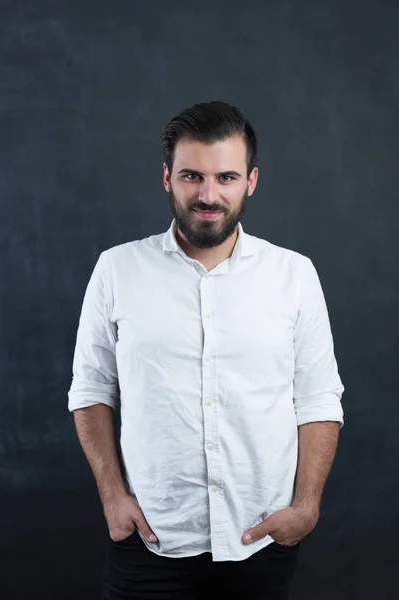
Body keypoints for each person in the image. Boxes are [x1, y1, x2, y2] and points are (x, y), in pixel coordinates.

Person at [68, 101, 345, 599]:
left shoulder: (294, 274)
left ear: (251, 181)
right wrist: (112, 496)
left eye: (226, 177)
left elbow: (319, 397)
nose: (208, 194)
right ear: (168, 178)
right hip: (151, 538)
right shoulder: (117, 269)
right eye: (192, 176)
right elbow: (91, 389)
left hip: (261, 539)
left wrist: (306, 506)